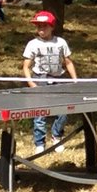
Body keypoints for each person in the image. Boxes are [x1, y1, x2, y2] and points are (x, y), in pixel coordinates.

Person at [22, 10, 78, 154]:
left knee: (63, 110)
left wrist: (75, 80)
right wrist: (31, 83)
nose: (41, 29)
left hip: (58, 79)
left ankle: (56, 136)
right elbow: (26, 67)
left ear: (52, 26)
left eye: (44, 26)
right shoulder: (32, 44)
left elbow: (68, 62)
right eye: (38, 26)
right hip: (40, 79)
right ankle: (40, 143)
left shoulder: (61, 43)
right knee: (40, 113)